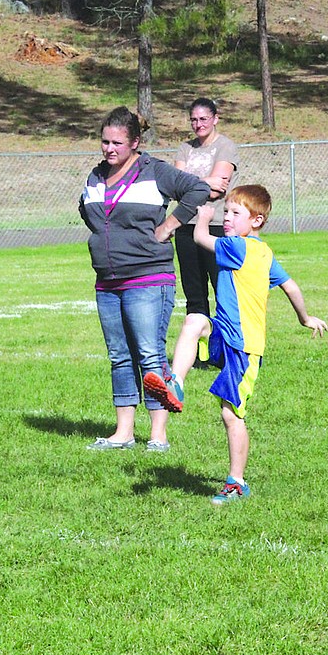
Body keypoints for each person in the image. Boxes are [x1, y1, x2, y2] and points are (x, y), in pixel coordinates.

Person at [142, 186, 328, 504]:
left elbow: (201, 239)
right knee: (194, 322)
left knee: (231, 415)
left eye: (234, 214)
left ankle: (237, 482)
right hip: (225, 334)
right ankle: (176, 383)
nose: (226, 218)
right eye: (225, 212)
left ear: (256, 220)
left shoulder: (237, 247)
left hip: (244, 347)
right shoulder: (264, 253)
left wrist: (203, 218)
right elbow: (291, 286)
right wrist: (304, 317)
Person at [79, 105, 212, 452]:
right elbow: (88, 210)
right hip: (107, 281)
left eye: (117, 143)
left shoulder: (155, 172)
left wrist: (169, 225)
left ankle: (158, 436)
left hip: (149, 279)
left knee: (150, 355)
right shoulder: (95, 175)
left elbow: (198, 190)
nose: (109, 149)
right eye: (105, 142)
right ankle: (123, 433)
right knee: (119, 356)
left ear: (135, 142)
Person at [174, 98, 240, 329]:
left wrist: (189, 184)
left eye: (203, 119)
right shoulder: (185, 148)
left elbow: (216, 191)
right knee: (195, 295)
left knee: (223, 289)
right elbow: (175, 187)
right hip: (186, 226)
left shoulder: (225, 146)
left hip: (216, 226)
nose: (198, 124)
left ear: (215, 119)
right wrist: (206, 181)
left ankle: (228, 345)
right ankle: (200, 351)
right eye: (194, 119)